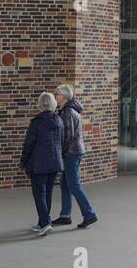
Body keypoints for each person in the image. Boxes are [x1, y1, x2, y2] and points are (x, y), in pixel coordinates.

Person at [51, 84, 98, 229]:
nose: (55, 96)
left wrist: (59, 152)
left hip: (71, 153)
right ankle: (65, 216)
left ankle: (89, 214)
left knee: (74, 185)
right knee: (65, 185)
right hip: (72, 152)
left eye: (57, 94)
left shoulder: (67, 112)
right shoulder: (68, 110)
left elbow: (68, 136)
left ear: (63, 96)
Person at [20, 92, 64, 236]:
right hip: (54, 162)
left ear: (40, 104)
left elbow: (29, 145)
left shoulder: (36, 123)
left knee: (39, 194)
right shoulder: (59, 121)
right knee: (48, 193)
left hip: (38, 164)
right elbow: (61, 141)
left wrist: (23, 161)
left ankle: (45, 223)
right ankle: (43, 222)